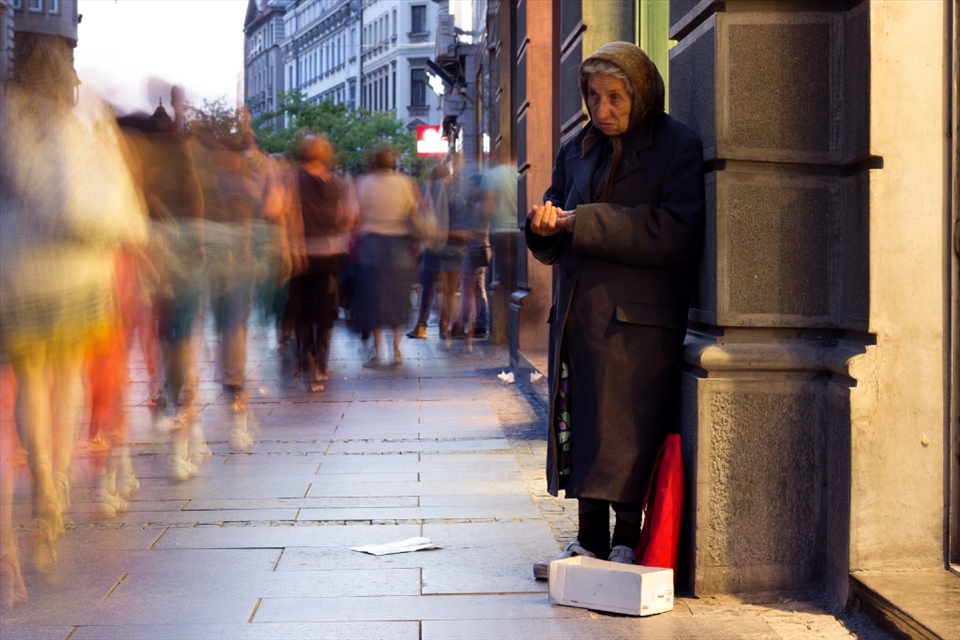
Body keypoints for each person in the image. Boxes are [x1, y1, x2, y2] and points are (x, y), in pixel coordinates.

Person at [526, 42, 704, 578]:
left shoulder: (677, 146)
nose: (601, 111)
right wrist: (543, 228)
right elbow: (558, 218)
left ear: (641, 93)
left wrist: (585, 222)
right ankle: (587, 540)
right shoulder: (577, 148)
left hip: (638, 322)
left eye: (615, 98)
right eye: (593, 97)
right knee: (580, 424)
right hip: (580, 314)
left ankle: (627, 540)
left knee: (625, 429)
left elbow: (677, 230)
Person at [353, 147, 420, 366]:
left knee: (374, 298)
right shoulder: (403, 182)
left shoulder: (364, 183)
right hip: (399, 246)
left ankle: (378, 351)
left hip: (372, 245)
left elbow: (355, 215)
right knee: (398, 296)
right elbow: (412, 210)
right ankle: (397, 350)